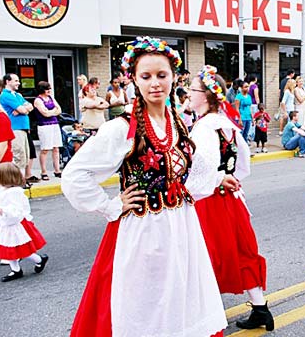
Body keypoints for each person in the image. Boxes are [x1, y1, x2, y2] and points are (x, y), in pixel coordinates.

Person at [61, 36, 226, 336]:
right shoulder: (121, 128)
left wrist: (217, 178)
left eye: (161, 75)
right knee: (146, 307)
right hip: (144, 233)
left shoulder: (178, 122)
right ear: (134, 80)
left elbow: (190, 171)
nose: (155, 83)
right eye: (146, 76)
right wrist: (111, 205)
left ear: (174, 77)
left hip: (181, 228)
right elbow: (75, 175)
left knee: (179, 302)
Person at [187, 65, 274, 331]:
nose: (188, 93)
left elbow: (201, 168)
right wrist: (230, 177)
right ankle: (260, 309)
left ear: (206, 96)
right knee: (240, 252)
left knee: (205, 256)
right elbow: (243, 162)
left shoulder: (203, 128)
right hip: (231, 198)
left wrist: (212, 180)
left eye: (192, 89)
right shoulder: (226, 123)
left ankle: (202, 317)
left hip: (209, 200)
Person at [0, 162, 49, 282]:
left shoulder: (15, 193)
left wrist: (3, 211)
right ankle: (15, 270)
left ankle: (39, 260)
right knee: (7, 248)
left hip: (15, 225)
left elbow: (17, 211)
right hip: (6, 224)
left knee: (22, 249)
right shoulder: (4, 190)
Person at [0, 73, 38, 184]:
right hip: (14, 129)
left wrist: (24, 109)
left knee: (25, 157)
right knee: (18, 156)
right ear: (7, 82)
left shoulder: (18, 95)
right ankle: (16, 181)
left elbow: (30, 106)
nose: (19, 83)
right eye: (16, 81)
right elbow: (22, 109)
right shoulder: (5, 95)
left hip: (23, 129)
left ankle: (20, 180)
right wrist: (22, 109)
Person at [33, 81, 63, 180]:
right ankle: (44, 171)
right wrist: (53, 111)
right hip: (44, 126)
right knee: (45, 149)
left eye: (49, 88)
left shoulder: (51, 98)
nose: (49, 90)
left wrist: (52, 112)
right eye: (47, 89)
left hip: (54, 124)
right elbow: (44, 113)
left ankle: (57, 170)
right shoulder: (38, 100)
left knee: (56, 148)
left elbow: (59, 110)